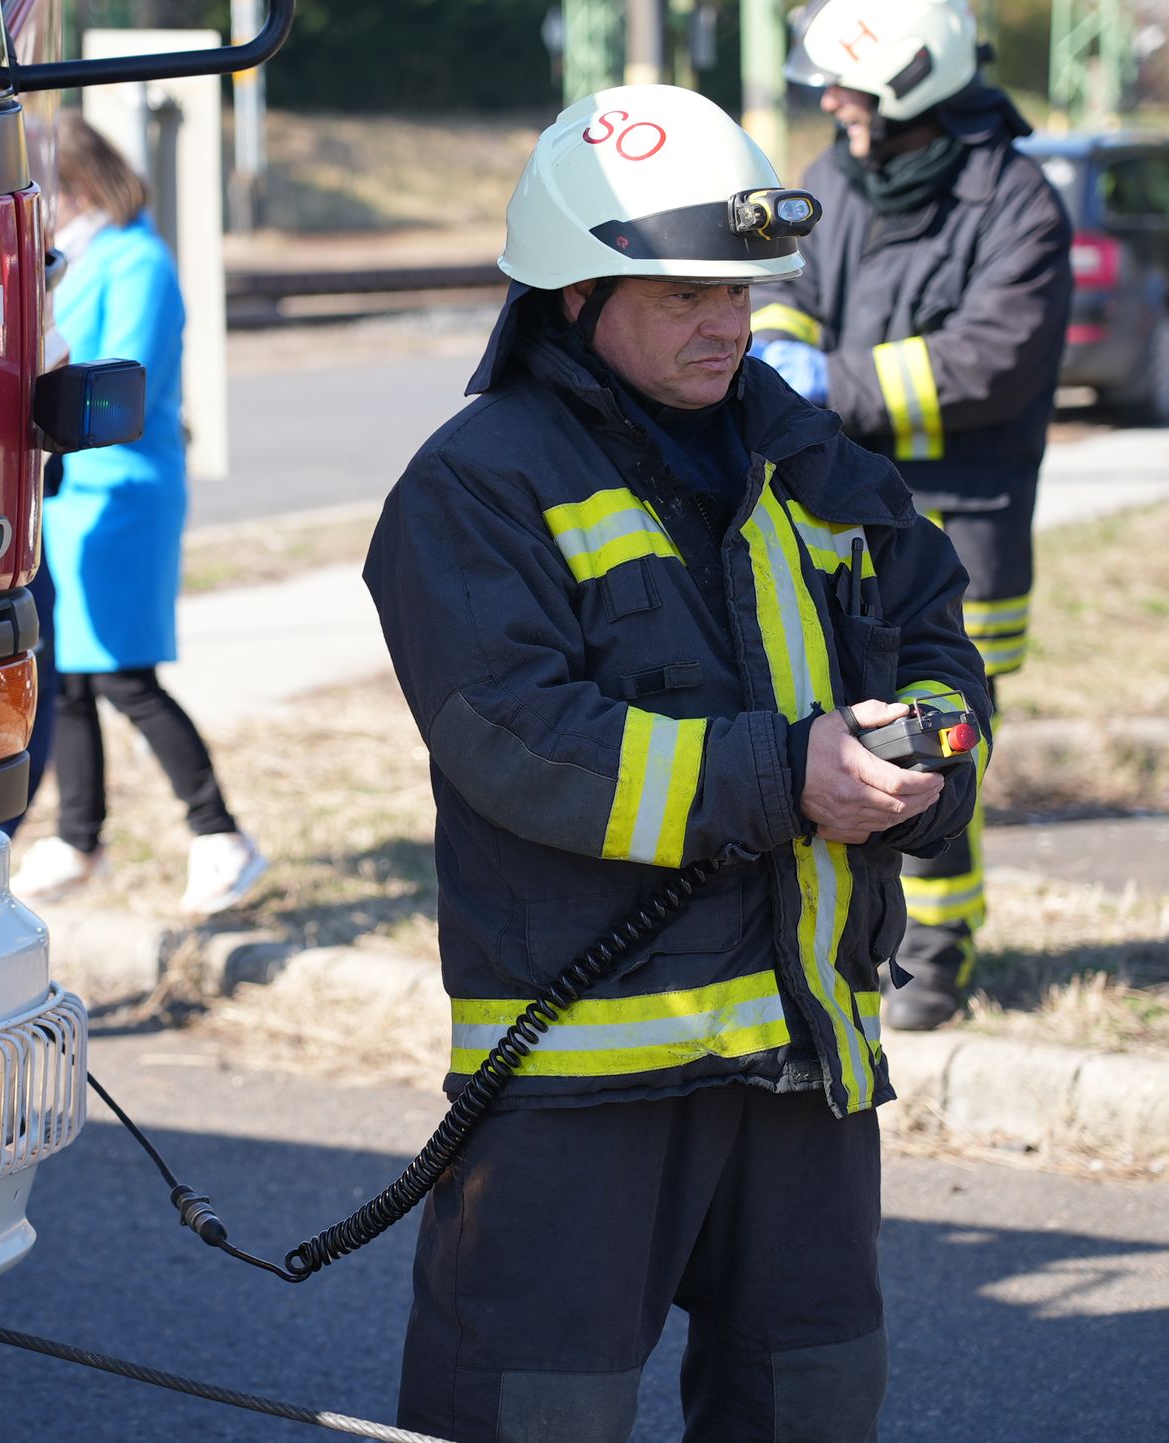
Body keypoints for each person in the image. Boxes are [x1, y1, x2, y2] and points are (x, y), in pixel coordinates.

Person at [363, 85, 992, 1443]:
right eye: (684, 294)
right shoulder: (475, 486)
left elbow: (934, 619)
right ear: (574, 296)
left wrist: (934, 744)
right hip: (588, 1074)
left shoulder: (801, 453)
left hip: (804, 1053)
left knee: (812, 1404)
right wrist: (789, 776)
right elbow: (519, 738)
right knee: (533, 1415)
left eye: (742, 290)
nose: (728, 323)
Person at [754, 0, 1072, 1029]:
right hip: (843, 520)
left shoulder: (1018, 201)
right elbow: (789, 291)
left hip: (962, 526)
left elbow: (989, 359)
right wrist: (776, 345)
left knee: (938, 742)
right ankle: (852, 944)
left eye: (852, 86)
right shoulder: (835, 180)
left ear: (915, 84)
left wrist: (831, 382)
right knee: (849, 739)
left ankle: (934, 958)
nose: (834, 102)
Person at [10, 113, 266, 916]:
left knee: (122, 672)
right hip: (71, 488)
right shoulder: (84, 258)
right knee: (71, 676)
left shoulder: (138, 262)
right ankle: (80, 838)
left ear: (77, 188)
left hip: (118, 488)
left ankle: (221, 833)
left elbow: (123, 380)